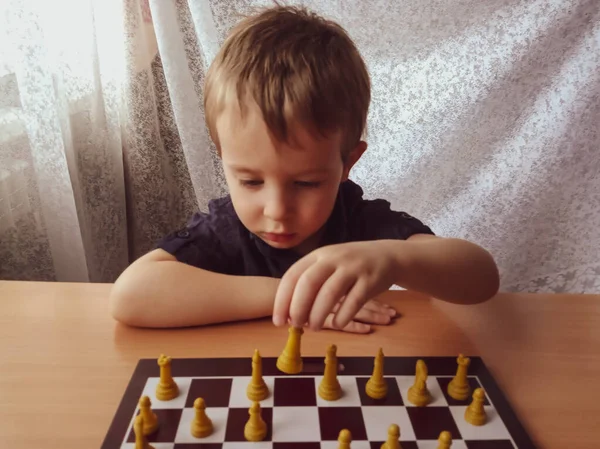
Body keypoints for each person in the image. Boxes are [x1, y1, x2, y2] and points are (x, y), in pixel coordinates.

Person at [109, 4, 499, 333]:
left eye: (307, 182)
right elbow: (131, 295)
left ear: (348, 163)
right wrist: (289, 297)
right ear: (221, 156)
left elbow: (480, 278)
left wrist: (395, 258)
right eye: (249, 180)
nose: (276, 209)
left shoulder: (359, 224)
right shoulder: (227, 230)